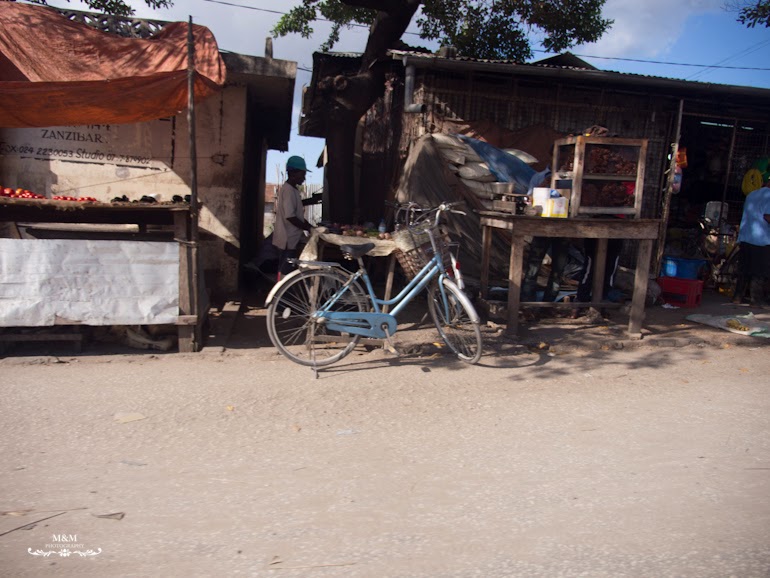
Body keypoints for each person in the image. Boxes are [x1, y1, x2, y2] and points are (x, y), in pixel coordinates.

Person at [273, 156, 314, 279]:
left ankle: (281, 294)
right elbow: (290, 216)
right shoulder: (289, 190)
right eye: (302, 174)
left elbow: (298, 216)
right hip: (287, 239)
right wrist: (308, 227)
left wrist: (309, 226)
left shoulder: (293, 190)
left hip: (292, 238)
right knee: (285, 271)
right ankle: (279, 295)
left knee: (286, 270)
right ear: (293, 173)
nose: (304, 178)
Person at [735, 175, 770, 307]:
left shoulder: (752, 194)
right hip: (761, 240)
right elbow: (768, 216)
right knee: (759, 271)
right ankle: (756, 300)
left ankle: (737, 297)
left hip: (745, 237)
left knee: (744, 269)